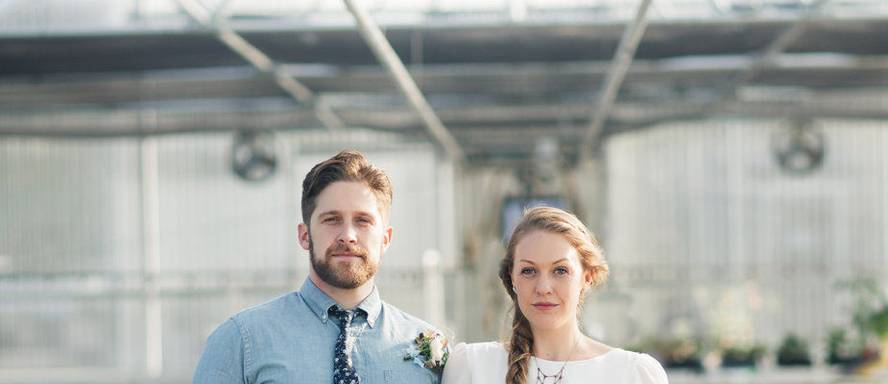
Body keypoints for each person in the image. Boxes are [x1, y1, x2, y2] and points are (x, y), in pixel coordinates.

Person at [194, 150, 443, 383]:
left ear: (386, 239)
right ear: (304, 235)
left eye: (363, 221)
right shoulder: (241, 340)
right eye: (332, 220)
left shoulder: (428, 348)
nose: (348, 235)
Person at [442, 206, 668, 384]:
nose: (543, 287)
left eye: (560, 270)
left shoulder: (632, 374)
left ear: (586, 277)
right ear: (512, 277)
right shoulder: (472, 366)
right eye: (529, 271)